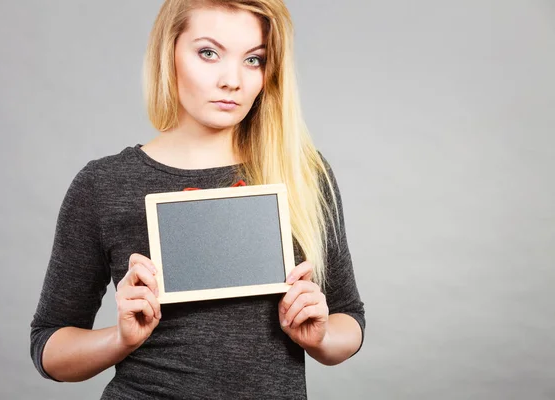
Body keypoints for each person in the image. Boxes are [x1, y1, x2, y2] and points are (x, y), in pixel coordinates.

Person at [30, 0, 366, 398]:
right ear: (168, 53)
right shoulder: (104, 184)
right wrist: (120, 338)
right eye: (209, 53)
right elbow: (48, 346)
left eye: (254, 60)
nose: (232, 80)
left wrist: (319, 336)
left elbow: (350, 320)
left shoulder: (303, 173)